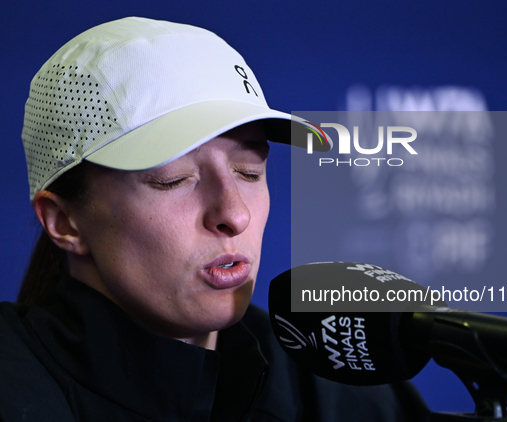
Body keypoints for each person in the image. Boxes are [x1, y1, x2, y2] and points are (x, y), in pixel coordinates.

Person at [0, 17, 429, 421]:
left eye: (249, 171)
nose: (234, 213)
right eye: (173, 179)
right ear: (63, 222)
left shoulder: (328, 386)